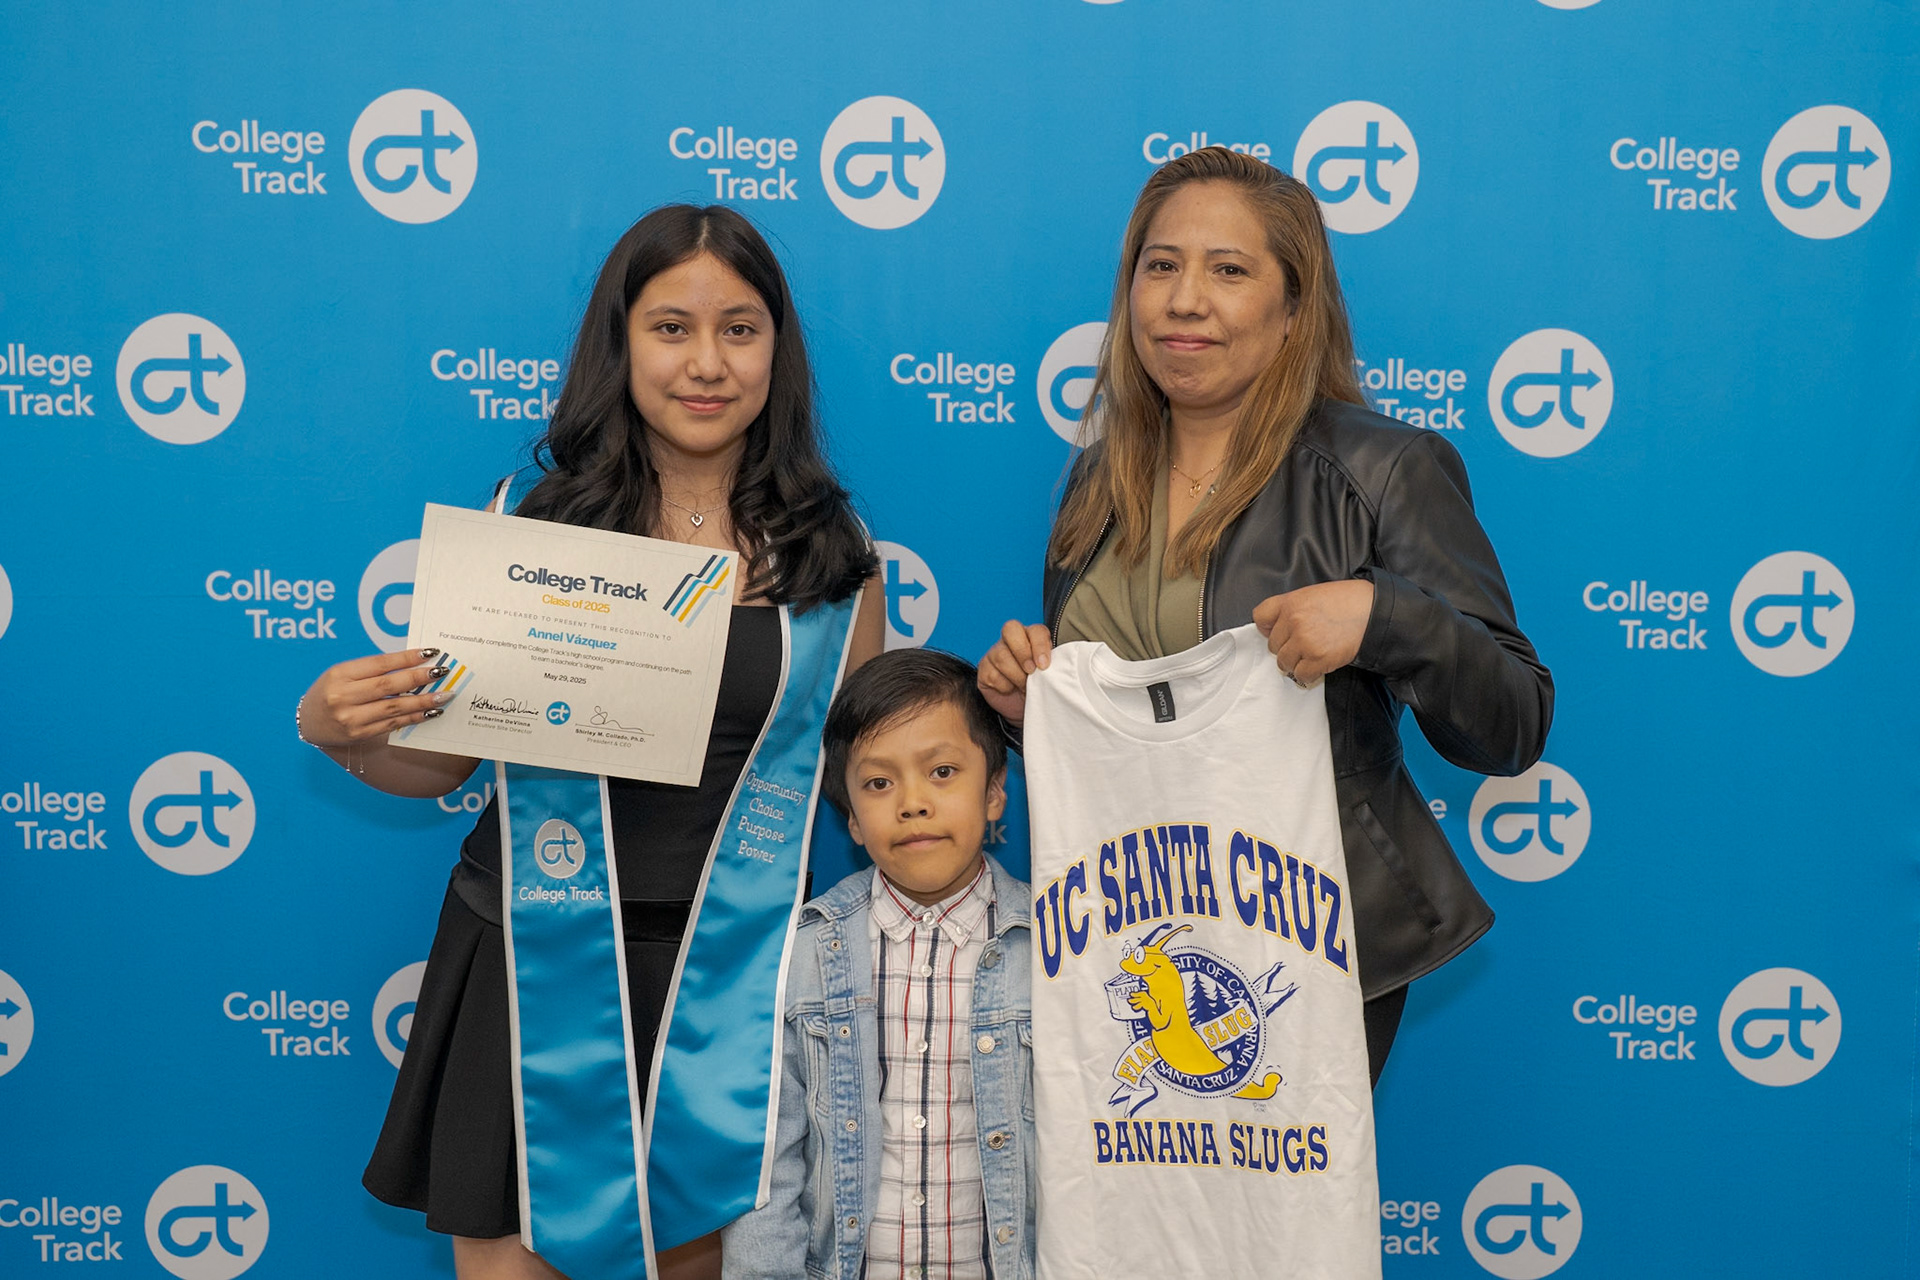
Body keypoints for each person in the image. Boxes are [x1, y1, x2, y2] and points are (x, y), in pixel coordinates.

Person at [295, 204, 884, 1280]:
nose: (706, 363)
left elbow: (866, 786)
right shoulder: (531, 524)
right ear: (621, 343)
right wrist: (338, 730)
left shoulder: (835, 562)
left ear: (777, 350)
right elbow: (441, 761)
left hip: (734, 993)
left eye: (739, 329)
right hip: (531, 971)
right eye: (671, 328)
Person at [978, 147, 1552, 1085]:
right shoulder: (1098, 479)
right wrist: (1023, 711)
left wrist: (1386, 618)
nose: (1185, 300)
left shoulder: (1384, 469)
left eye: (1229, 270)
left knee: (1284, 1189)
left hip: (1307, 932)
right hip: (1133, 928)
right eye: (1161, 266)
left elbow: (1515, 726)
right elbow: (1130, 723)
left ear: (1294, 309)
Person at [722, 649, 1036, 1280]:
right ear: (853, 821)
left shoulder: (1055, 946)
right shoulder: (801, 952)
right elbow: (765, 1163)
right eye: (878, 784)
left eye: (942, 771)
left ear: (995, 791)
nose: (912, 802)